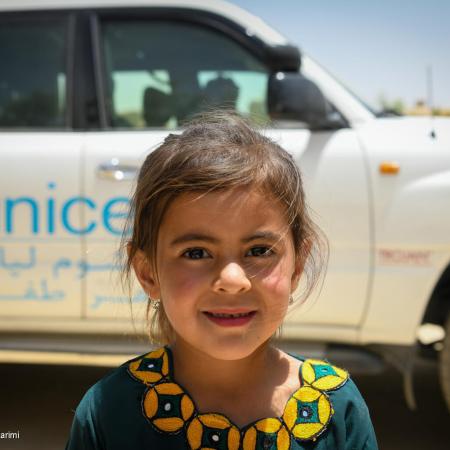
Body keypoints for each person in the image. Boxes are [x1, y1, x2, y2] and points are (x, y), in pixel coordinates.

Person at [65, 111, 378, 450]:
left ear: (297, 265)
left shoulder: (338, 409)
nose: (232, 279)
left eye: (259, 250)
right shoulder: (109, 411)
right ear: (147, 273)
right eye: (196, 253)